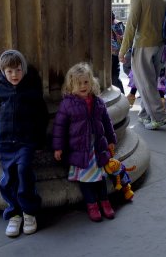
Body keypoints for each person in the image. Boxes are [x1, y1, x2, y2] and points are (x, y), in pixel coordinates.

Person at [0, 49, 48, 237]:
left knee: (24, 171)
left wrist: (39, 141)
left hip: (26, 141)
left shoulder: (31, 91)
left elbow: (42, 117)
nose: (14, 75)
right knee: (9, 178)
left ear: (24, 70)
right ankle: (14, 213)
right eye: (10, 71)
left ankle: (29, 212)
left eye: (18, 70)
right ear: (3, 72)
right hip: (4, 142)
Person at [52, 62, 117, 222]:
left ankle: (105, 202)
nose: (83, 86)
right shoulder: (67, 104)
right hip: (81, 150)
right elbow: (59, 127)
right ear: (71, 85)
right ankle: (92, 205)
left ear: (91, 82)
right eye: (78, 83)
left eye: (86, 82)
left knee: (100, 178)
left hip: (97, 148)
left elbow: (107, 122)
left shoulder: (98, 101)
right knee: (86, 181)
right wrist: (58, 147)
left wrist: (111, 139)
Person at [118, 0, 166, 130]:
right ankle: (145, 114)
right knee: (150, 82)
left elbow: (131, 24)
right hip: (160, 45)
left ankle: (159, 117)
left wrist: (123, 50)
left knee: (145, 83)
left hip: (143, 45)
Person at [111, 12, 125, 94]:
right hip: (117, 52)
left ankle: (121, 95)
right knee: (115, 76)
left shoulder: (115, 25)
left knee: (114, 77)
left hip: (113, 53)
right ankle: (122, 95)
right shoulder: (119, 23)